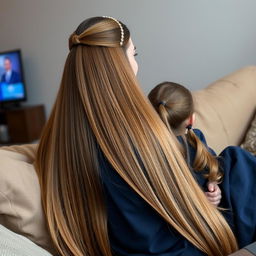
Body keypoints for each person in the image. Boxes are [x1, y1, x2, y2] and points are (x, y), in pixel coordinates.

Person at [35, 17, 238, 256]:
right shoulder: (132, 137)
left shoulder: (56, 138)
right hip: (170, 245)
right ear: (119, 63)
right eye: (134, 54)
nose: (136, 65)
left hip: (126, 244)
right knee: (236, 162)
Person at [148, 81, 256, 248]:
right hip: (210, 219)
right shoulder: (159, 158)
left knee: (234, 157)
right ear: (192, 118)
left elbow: (210, 165)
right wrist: (205, 203)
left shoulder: (194, 138)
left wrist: (214, 184)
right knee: (238, 159)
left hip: (217, 201)